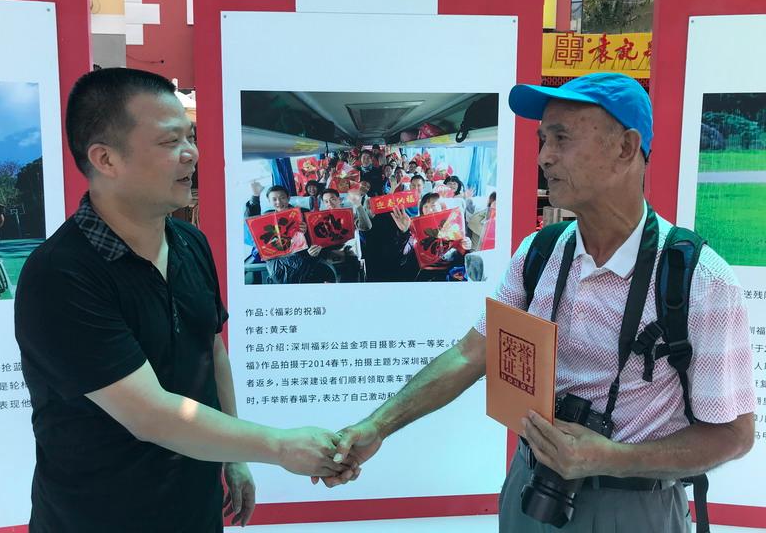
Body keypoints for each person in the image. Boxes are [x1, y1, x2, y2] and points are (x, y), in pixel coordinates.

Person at [318, 73, 755, 533]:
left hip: (633, 506)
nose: (544, 157)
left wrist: (614, 458)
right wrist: (376, 426)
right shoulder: (539, 254)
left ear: (626, 148)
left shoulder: (698, 279)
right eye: (542, 140)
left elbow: (734, 434)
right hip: (531, 489)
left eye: (562, 139)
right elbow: (471, 353)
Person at [14, 68, 349, 533]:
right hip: (97, 516)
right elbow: (149, 415)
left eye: (190, 137)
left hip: (195, 507)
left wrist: (234, 460)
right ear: (105, 158)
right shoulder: (61, 275)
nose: (192, 153)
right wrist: (277, 446)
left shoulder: (191, 242)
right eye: (170, 141)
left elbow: (211, 350)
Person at [246, 184, 328, 284]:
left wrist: (307, 232)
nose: (279, 202)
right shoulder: (267, 216)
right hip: (278, 261)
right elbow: (251, 222)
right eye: (274, 199)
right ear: (269, 201)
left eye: (282, 198)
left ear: (288, 198)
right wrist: (255, 196)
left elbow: (317, 237)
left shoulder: (303, 213)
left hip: (303, 257)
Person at [316, 188, 372, 282]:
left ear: (339, 200)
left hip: (350, 261)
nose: (330, 203)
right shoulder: (321, 220)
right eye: (326, 201)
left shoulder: (349, 215)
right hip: (329, 263)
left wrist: (358, 205)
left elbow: (367, 226)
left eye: (332, 199)